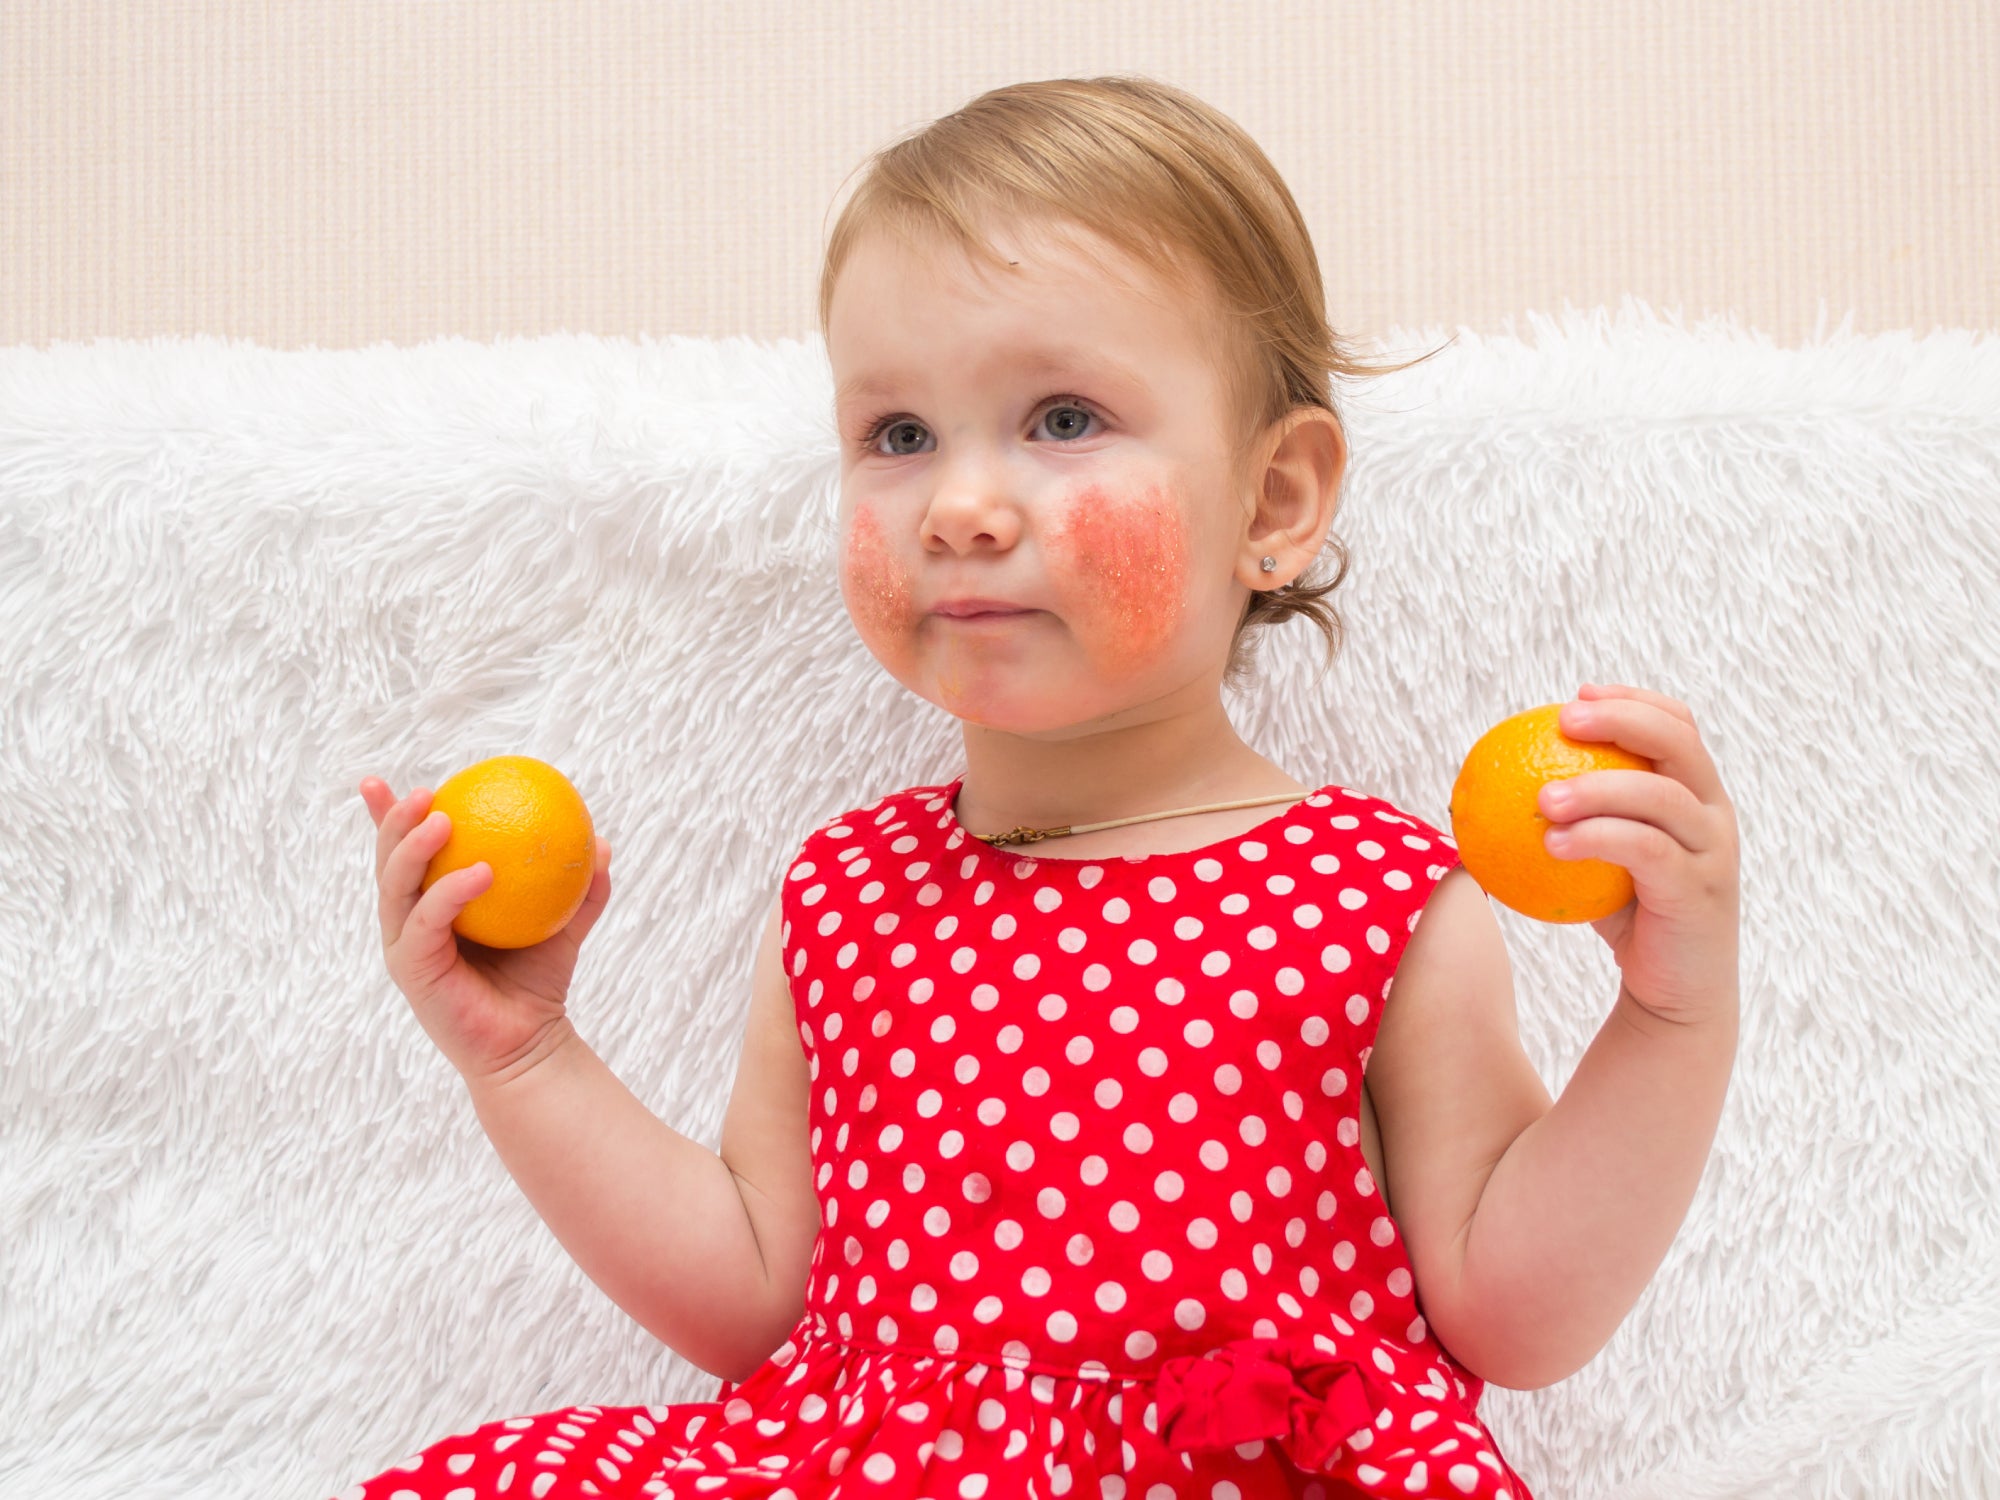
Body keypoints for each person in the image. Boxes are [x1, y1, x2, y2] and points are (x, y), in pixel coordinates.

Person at [338, 75, 1741, 1500]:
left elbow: (1517, 1314)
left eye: (1063, 419)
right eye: (898, 437)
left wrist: (1667, 1015)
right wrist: (526, 1060)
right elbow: (753, 1302)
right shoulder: (847, 894)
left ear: (1272, 504)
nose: (958, 505)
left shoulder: (1372, 902)